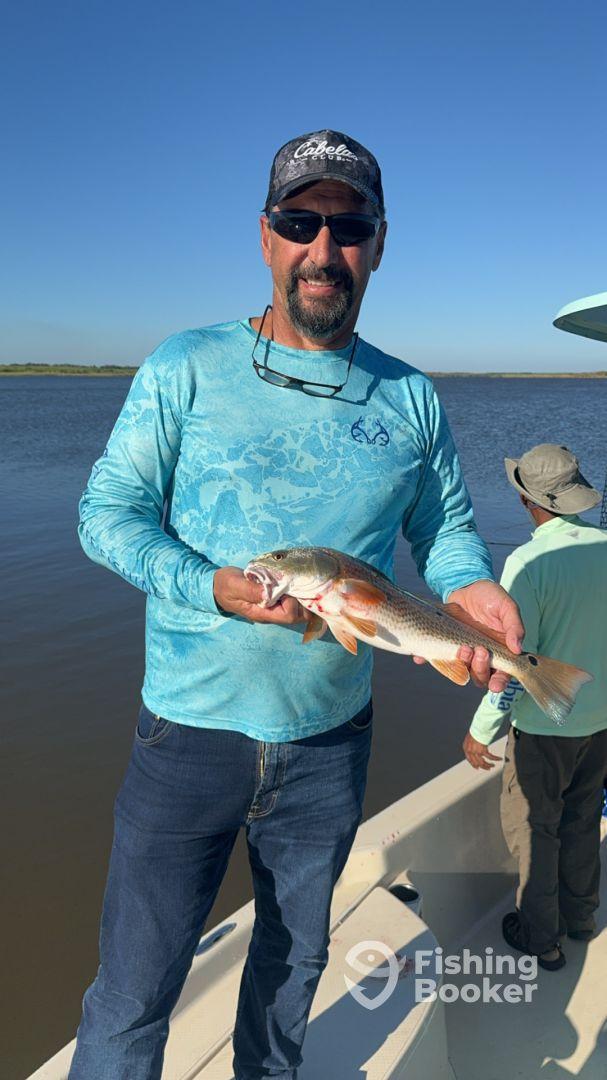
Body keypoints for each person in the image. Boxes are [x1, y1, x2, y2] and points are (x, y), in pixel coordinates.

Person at [69, 129, 523, 1080]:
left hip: (329, 747)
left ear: (379, 242)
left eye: (348, 225)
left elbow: (441, 531)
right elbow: (106, 516)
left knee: (291, 970)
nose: (324, 249)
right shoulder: (184, 365)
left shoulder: (411, 397)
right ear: (267, 237)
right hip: (186, 737)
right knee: (132, 992)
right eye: (300, 222)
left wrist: (471, 584)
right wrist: (212, 588)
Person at [463, 444, 607, 971]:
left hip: (543, 730)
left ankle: (540, 938)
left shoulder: (527, 562)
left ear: (528, 502)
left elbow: (511, 662)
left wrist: (481, 731)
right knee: (583, 817)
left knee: (536, 829)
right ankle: (583, 915)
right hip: (600, 726)